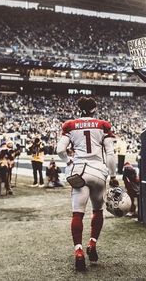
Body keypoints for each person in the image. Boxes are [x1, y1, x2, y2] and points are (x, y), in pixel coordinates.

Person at [57, 96, 118, 271]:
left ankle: (78, 251)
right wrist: (113, 175)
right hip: (98, 171)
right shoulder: (102, 125)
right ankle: (92, 243)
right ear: (94, 109)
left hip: (79, 171)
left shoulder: (70, 125)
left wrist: (69, 162)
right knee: (97, 210)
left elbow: (60, 150)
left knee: (77, 213)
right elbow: (110, 153)